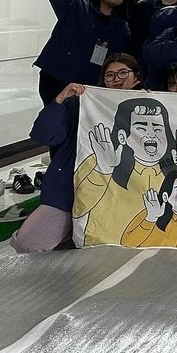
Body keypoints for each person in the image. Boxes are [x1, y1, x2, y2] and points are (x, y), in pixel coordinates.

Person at [11, 54, 143, 253]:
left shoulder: (150, 108)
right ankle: (68, 238)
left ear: (137, 77)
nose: (116, 79)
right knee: (27, 243)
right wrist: (60, 100)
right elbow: (44, 135)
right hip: (70, 194)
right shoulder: (81, 105)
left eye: (123, 73)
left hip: (124, 197)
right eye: (110, 75)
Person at [73, 96, 177, 246]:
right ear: (122, 136)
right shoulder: (101, 159)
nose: (151, 134)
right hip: (104, 248)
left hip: (163, 253)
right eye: (141, 128)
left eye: (158, 128)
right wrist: (103, 170)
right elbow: (80, 209)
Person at [34, 0, 132, 105]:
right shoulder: (78, 6)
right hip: (56, 78)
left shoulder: (121, 27)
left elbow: (116, 59)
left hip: (88, 87)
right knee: (54, 115)